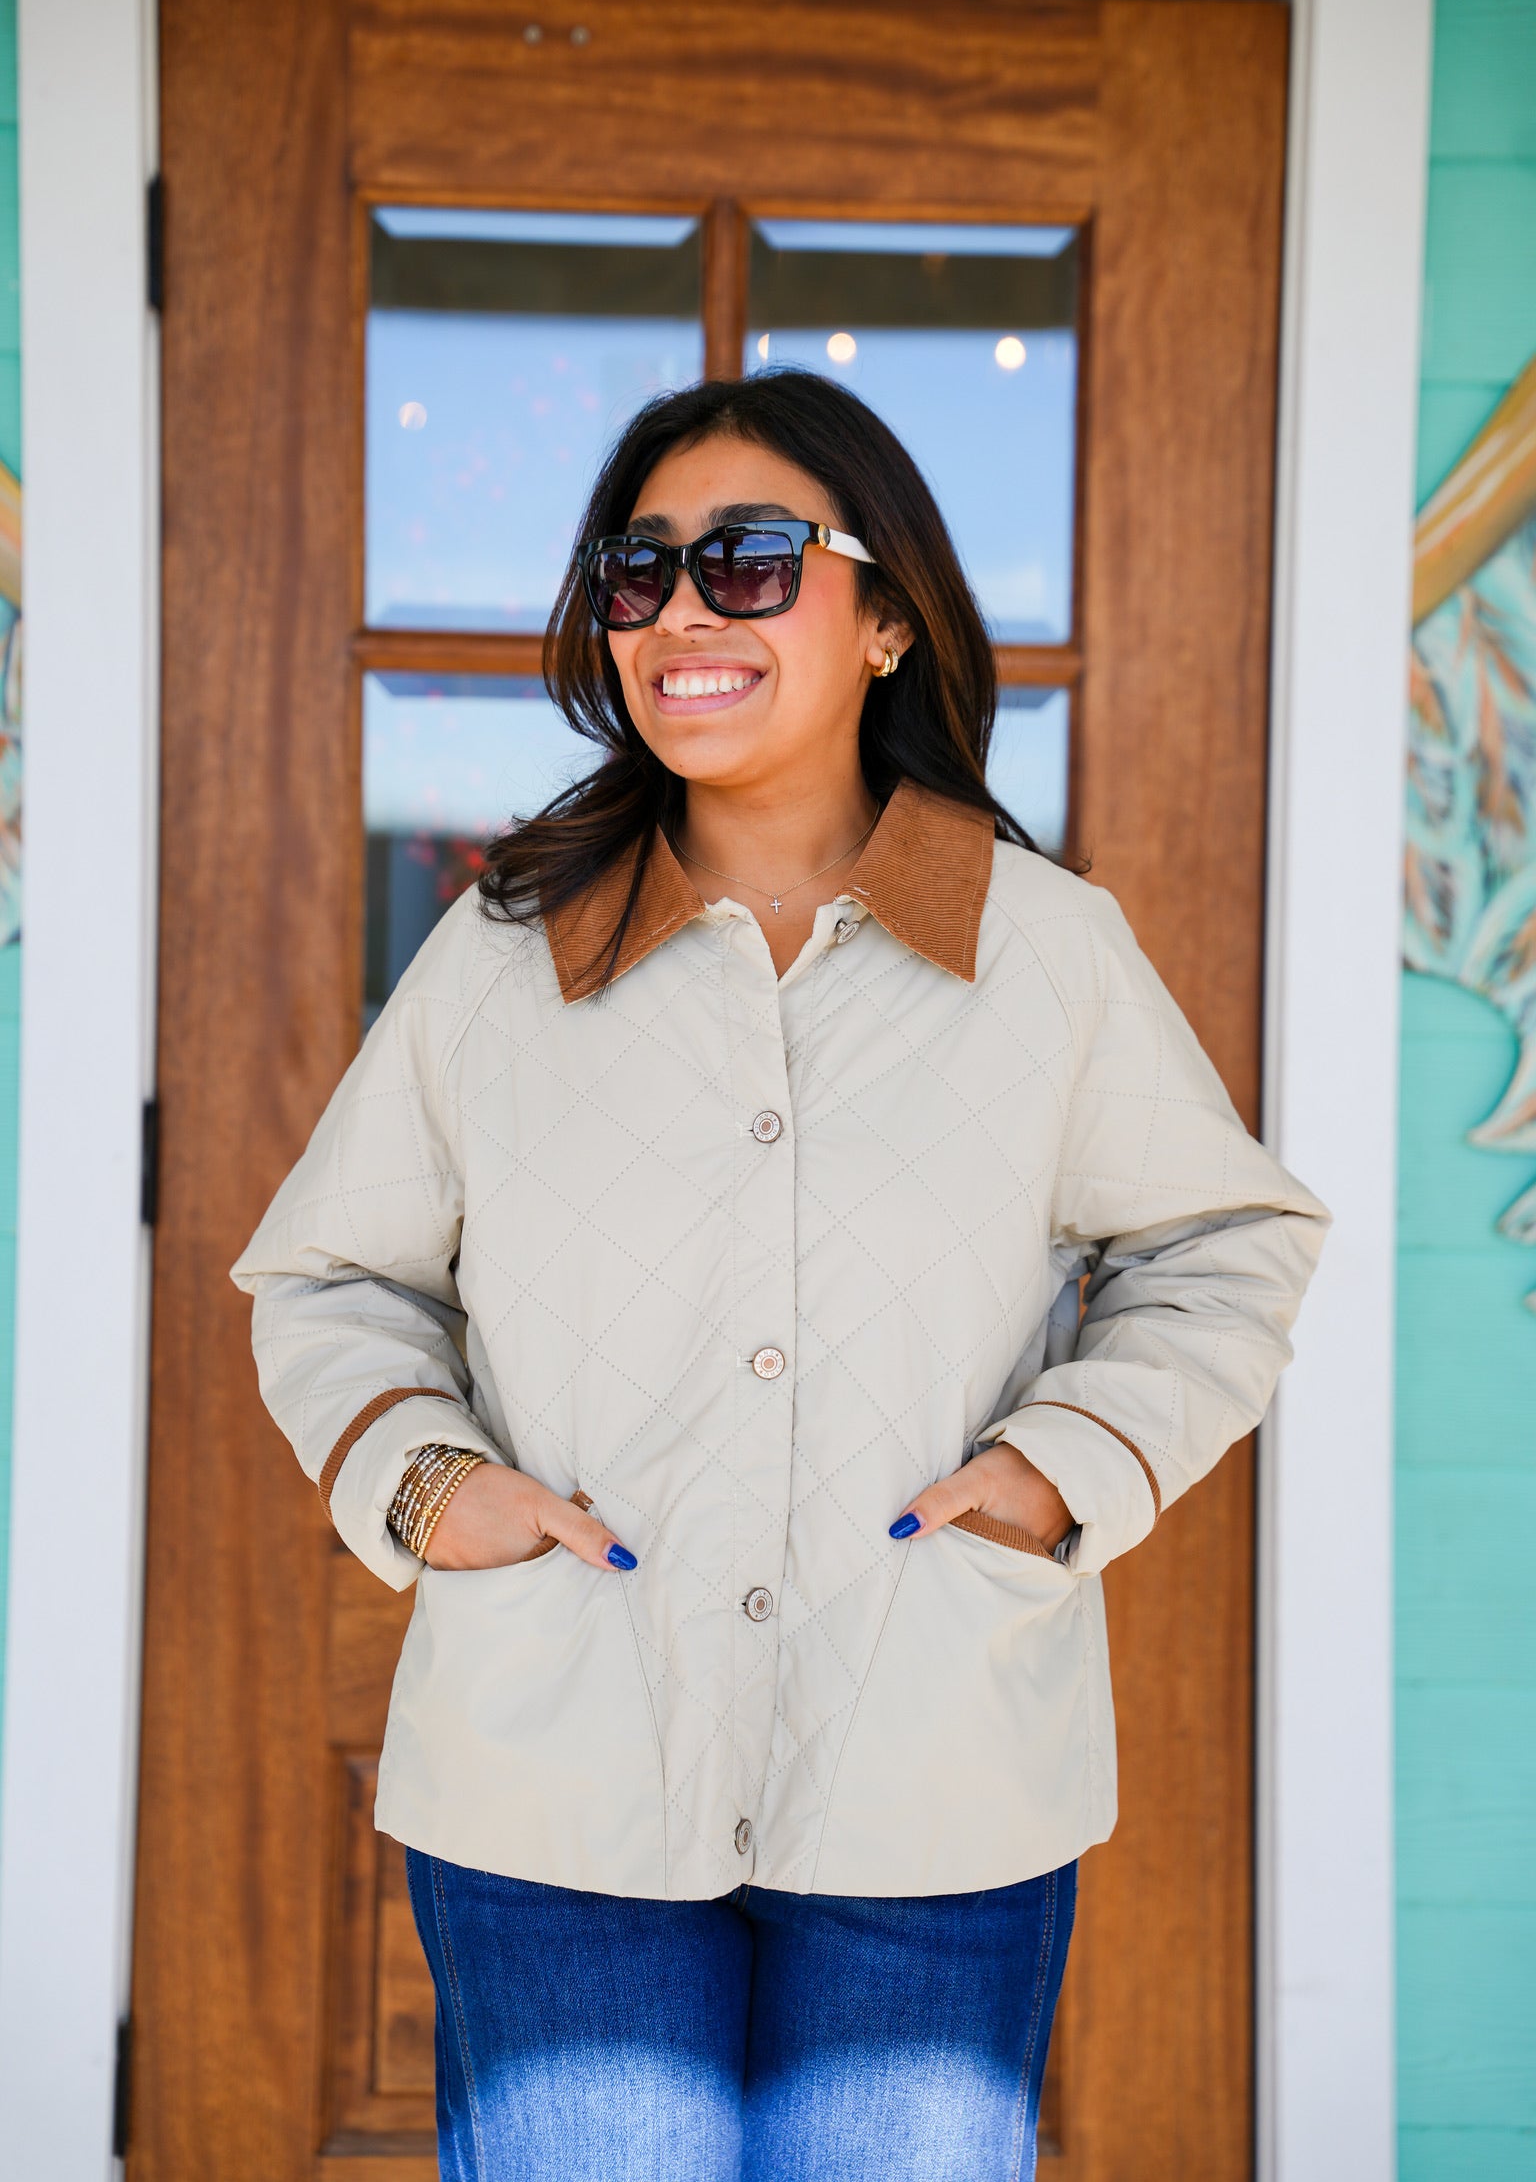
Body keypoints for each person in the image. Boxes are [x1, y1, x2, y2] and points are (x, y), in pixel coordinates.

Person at [234, 370, 1327, 2182]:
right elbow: (332, 1275)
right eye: (637, 569)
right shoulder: (506, 953)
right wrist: (430, 1490)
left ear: (889, 618)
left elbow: (1225, 1246)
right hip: (557, 1785)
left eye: (745, 560)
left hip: (937, 1775)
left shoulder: (1049, 955)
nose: (678, 610)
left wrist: (1062, 1470)